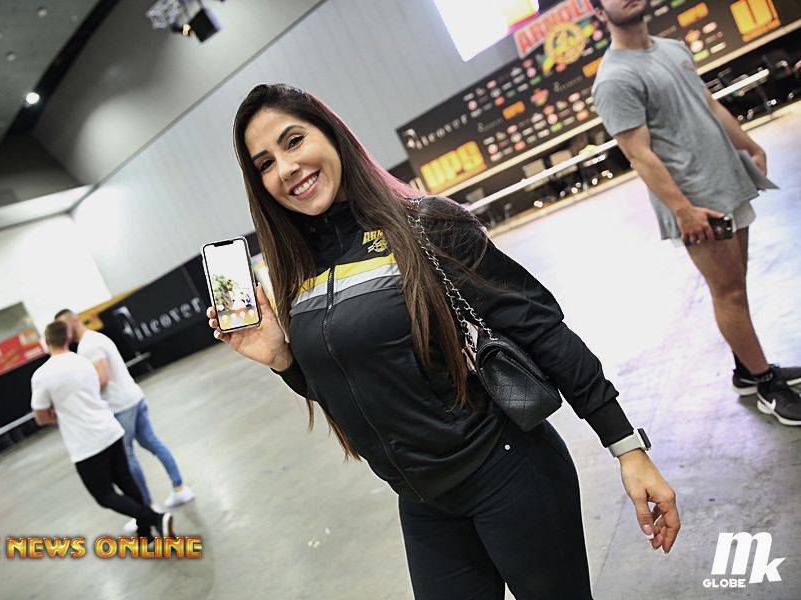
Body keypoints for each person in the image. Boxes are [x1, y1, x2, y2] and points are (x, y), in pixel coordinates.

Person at [206, 83, 680, 599]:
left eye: (294, 141)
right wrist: (283, 360)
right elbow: (355, 387)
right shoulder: (299, 274)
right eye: (265, 163)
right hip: (424, 504)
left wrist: (627, 448)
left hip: (509, 474)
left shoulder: (426, 225)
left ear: (332, 134)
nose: (286, 168)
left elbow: (540, 328)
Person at [589, 0, 801, 427]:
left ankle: (746, 369)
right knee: (729, 293)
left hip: (726, 180)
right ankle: (765, 384)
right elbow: (639, 154)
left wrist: (748, 144)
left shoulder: (673, 49)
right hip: (696, 199)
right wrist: (683, 210)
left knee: (737, 283)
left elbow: (710, 105)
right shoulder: (614, 78)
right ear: (598, 12)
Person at [30, 320, 174, 539]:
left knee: (104, 495)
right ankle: (146, 535)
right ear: (68, 338)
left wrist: (59, 414)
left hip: (86, 444)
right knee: (126, 482)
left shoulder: (42, 375)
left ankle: (155, 519)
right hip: (109, 429)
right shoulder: (83, 361)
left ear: (46, 341)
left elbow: (40, 417)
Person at [55, 309, 194, 527]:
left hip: (121, 406)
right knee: (152, 442)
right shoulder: (96, 339)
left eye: (64, 326)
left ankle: (147, 508)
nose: (64, 332)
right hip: (134, 397)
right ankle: (180, 488)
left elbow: (102, 378)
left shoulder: (88, 346)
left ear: (74, 321)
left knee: (128, 457)